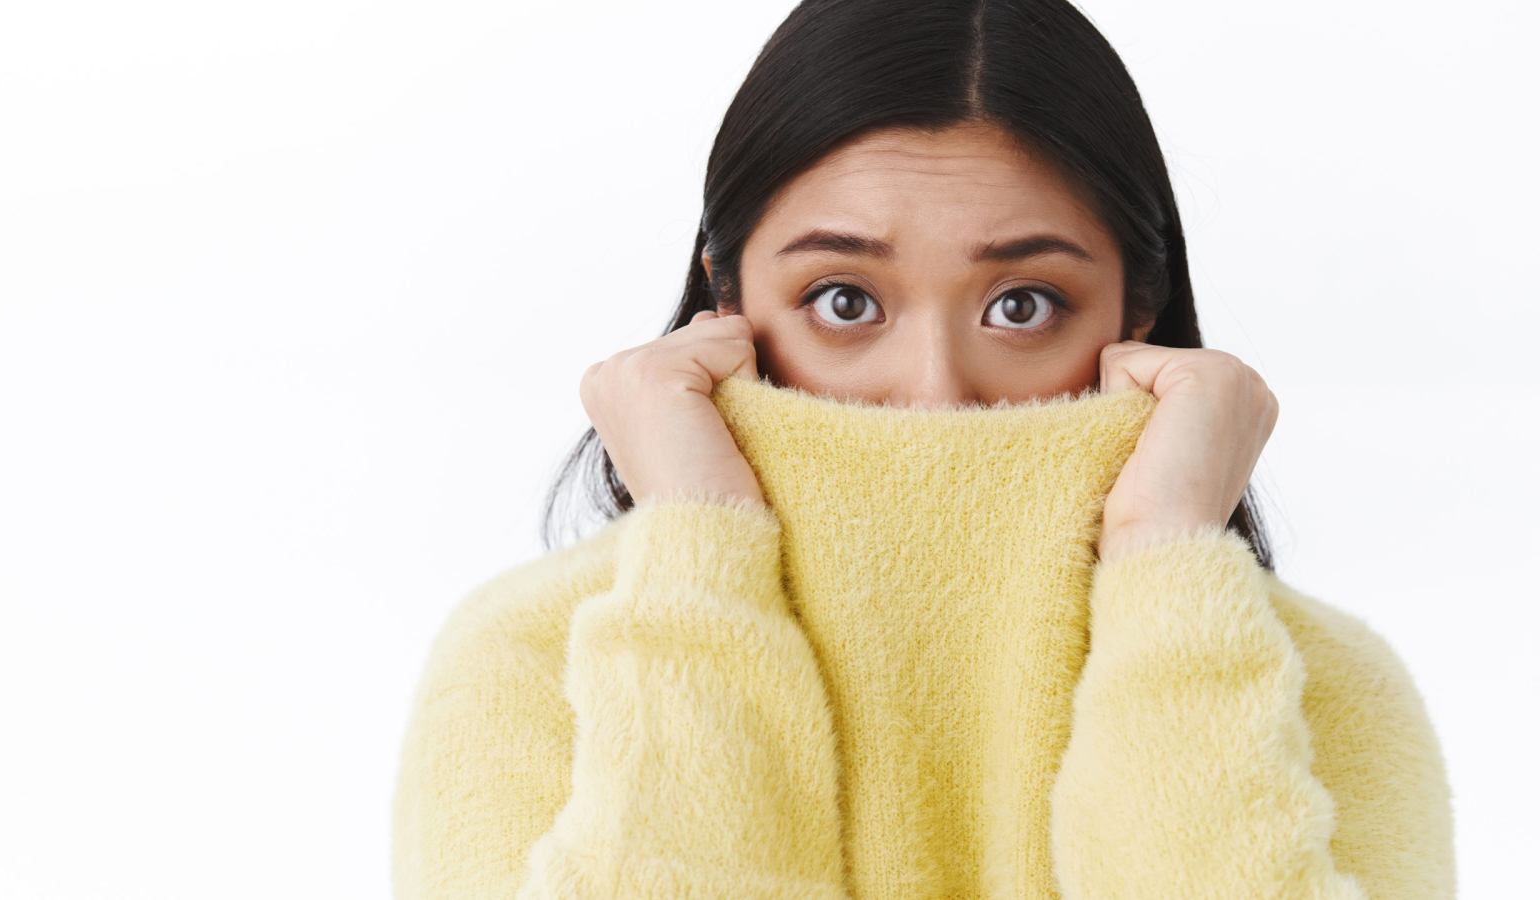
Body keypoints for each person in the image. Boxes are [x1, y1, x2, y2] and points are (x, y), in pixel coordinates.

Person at [392, 1, 1456, 898]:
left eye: (1023, 303)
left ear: (1136, 313)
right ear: (726, 298)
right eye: (844, 300)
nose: (935, 398)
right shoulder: (531, 662)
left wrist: (1168, 561)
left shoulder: (1312, 688)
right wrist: (697, 562)